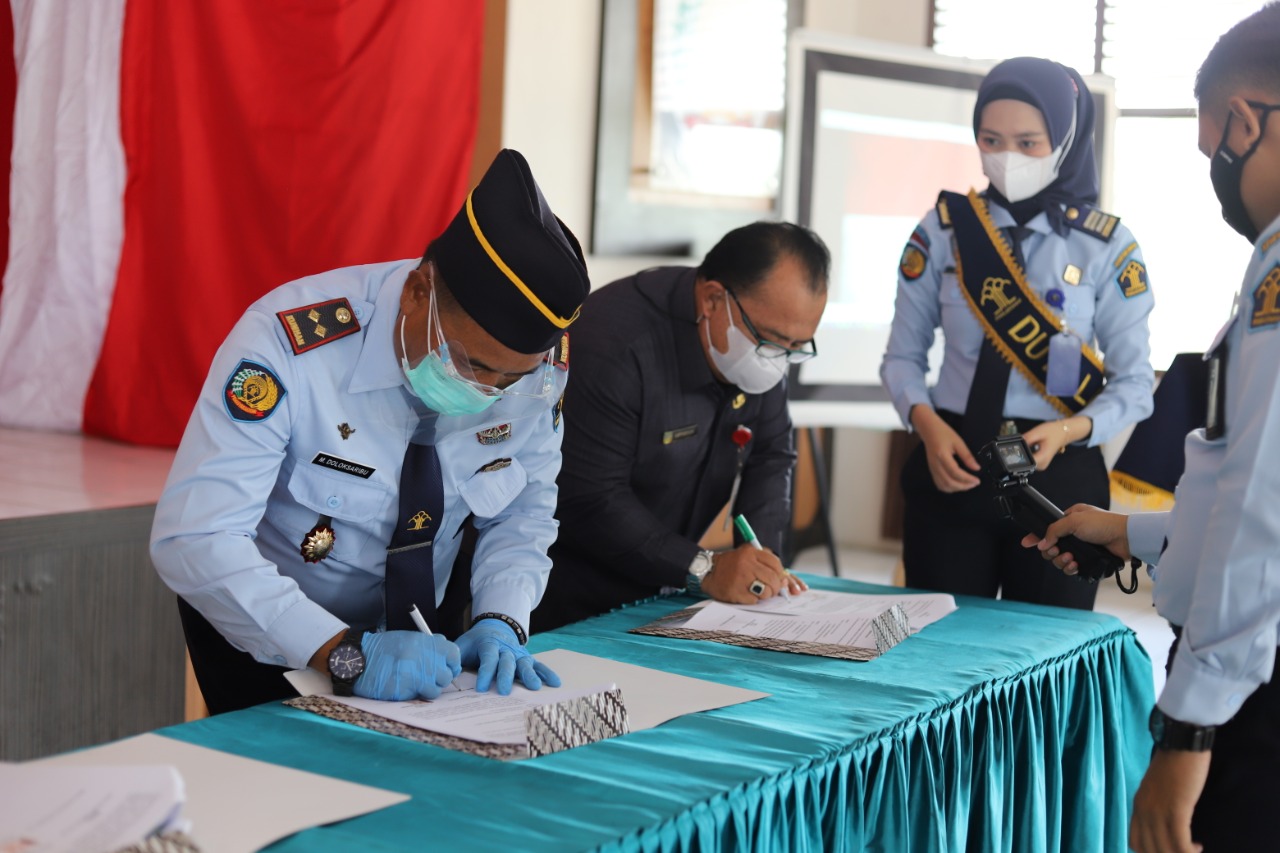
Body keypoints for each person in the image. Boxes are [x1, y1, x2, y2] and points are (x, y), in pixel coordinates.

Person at [151, 149, 590, 713]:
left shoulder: (538, 371)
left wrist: (503, 616)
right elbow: (196, 537)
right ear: (417, 293)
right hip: (276, 632)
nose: (489, 391)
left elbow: (524, 508)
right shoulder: (288, 346)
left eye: (511, 377)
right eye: (472, 365)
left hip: (421, 633)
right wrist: (344, 654)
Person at [1025, 6, 1280, 850]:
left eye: (1214, 150)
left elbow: (1260, 517)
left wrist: (1189, 728)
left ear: (1246, 120)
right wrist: (1130, 531)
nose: (1217, 174)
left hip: (1255, 692)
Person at [880, 57, 1155, 610]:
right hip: (951, 458)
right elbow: (901, 360)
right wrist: (926, 424)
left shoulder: (1106, 245)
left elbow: (1136, 385)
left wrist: (1072, 429)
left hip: (1059, 475)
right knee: (937, 649)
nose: (1007, 157)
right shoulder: (942, 231)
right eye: (991, 139)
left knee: (1043, 652)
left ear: (1066, 138)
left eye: (1029, 142)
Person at [530, 222, 829, 632]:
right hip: (569, 599)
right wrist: (702, 567)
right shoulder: (614, 345)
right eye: (774, 342)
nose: (780, 360)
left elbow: (771, 455)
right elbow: (593, 497)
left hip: (664, 591)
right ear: (712, 299)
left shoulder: (759, 346)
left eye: (797, 348)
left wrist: (760, 562)